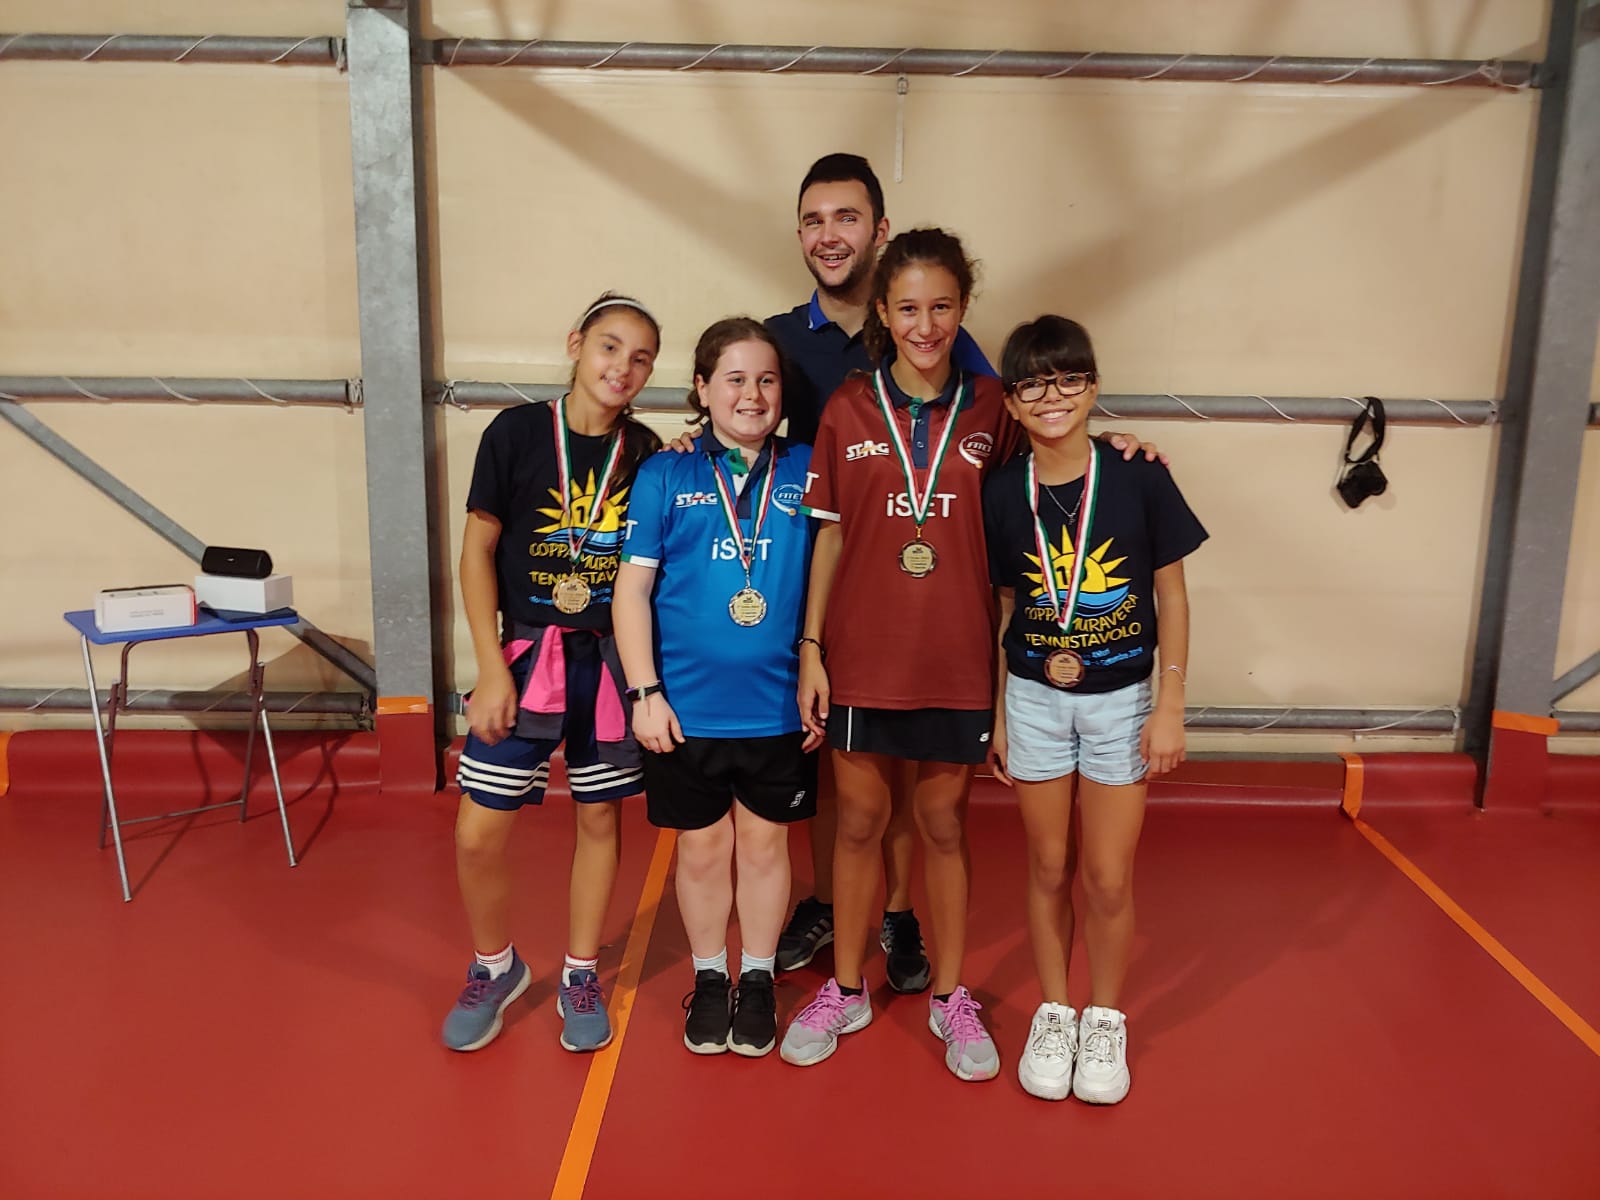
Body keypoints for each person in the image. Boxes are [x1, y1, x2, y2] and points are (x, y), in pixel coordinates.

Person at [780, 228, 1015, 1080]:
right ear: (882, 311)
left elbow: (1055, 477)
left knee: (943, 824)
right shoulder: (848, 407)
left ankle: (952, 997)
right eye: (908, 308)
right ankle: (845, 987)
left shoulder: (994, 408)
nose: (926, 326)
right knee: (859, 823)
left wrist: (1131, 448)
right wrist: (812, 648)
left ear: (964, 308)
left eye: (942, 307)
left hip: (956, 656)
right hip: (862, 653)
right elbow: (830, 537)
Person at [984, 315, 1207, 1104]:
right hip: (1033, 698)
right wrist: (1000, 712)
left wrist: (1170, 702)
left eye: (1069, 378)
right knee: (1048, 865)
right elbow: (1004, 607)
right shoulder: (1000, 491)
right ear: (1010, 401)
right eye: (1033, 384)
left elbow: (1172, 596)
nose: (1053, 397)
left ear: (1094, 386)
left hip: (1122, 702)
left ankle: (1104, 1018)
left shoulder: (1139, 476)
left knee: (1108, 877)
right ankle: (1055, 1012)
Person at [441, 293, 664, 1054]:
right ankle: (494, 965)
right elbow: (476, 552)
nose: (622, 367)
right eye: (610, 346)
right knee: (478, 831)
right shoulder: (515, 433)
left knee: (599, 819)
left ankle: (579, 972)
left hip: (606, 660)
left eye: (640, 358)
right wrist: (488, 665)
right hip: (526, 657)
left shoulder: (648, 453)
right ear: (576, 344)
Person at [613, 318, 820, 1057]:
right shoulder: (665, 474)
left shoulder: (809, 468)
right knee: (700, 852)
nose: (752, 394)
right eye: (734, 379)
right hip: (685, 709)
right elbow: (631, 591)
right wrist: (644, 693)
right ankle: (709, 977)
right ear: (702, 388)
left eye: (766, 379)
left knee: (765, 847)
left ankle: (756, 978)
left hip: (777, 706)